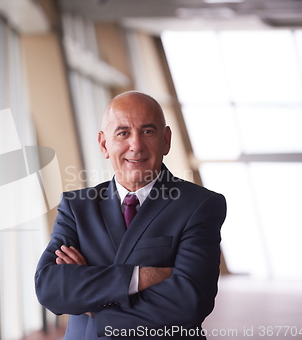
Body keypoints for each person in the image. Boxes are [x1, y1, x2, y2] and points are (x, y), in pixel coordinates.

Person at [35, 91, 227, 339]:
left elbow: (189, 303)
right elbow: (49, 287)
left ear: (166, 140)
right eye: (123, 133)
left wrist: (95, 306)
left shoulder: (199, 205)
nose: (136, 145)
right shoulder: (77, 206)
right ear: (104, 144)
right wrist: (144, 275)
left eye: (148, 131)